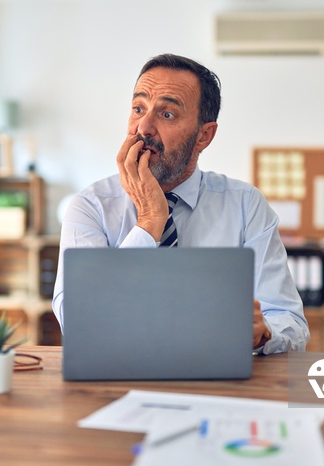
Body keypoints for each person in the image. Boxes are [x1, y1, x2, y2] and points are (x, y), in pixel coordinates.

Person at [52, 53, 309, 354]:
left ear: (204, 136)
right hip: (117, 380)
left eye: (167, 114)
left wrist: (264, 333)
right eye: (138, 108)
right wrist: (149, 222)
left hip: (219, 381)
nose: (143, 128)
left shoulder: (245, 205)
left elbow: (291, 323)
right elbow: (81, 322)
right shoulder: (91, 206)